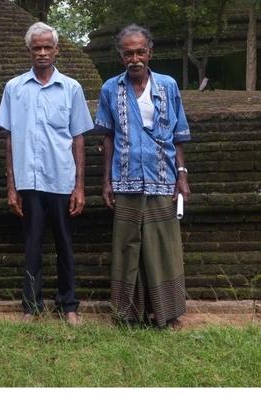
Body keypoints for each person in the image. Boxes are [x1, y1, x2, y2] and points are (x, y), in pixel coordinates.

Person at [0, 22, 94, 325]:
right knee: (32, 246)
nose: (41, 53)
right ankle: (31, 306)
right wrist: (12, 186)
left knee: (65, 244)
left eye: (47, 47)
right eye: (36, 48)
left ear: (56, 50)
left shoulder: (72, 88)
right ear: (28, 51)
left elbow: (78, 138)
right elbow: (10, 139)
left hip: (62, 180)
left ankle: (68, 304)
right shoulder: (14, 88)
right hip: (30, 181)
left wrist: (80, 186)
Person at [94, 24, 191, 329]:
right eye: (128, 53)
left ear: (150, 53)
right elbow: (107, 137)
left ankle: (167, 313)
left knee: (162, 249)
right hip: (126, 178)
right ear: (121, 56)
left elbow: (178, 135)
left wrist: (182, 175)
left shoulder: (168, 86)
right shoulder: (111, 89)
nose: (134, 58)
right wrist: (106, 181)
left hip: (163, 177)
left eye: (140, 52)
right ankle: (128, 314)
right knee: (128, 248)